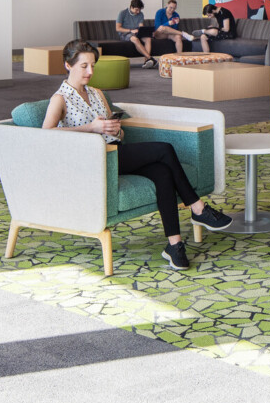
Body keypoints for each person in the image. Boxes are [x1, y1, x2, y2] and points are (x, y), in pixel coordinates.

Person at [41, 40, 233, 270]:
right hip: (95, 160)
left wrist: (116, 130)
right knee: (164, 149)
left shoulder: (97, 93)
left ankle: (175, 245)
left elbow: (114, 129)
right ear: (68, 65)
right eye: (84, 66)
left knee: (163, 173)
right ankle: (198, 207)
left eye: (92, 66)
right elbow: (47, 135)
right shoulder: (60, 99)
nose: (90, 72)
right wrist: (91, 128)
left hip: (116, 152)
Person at [115, 0, 157, 68]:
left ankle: (146, 62)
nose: (138, 12)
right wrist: (131, 30)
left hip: (137, 32)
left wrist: (144, 31)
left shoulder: (141, 14)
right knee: (135, 39)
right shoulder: (122, 13)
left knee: (148, 38)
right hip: (125, 33)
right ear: (131, 7)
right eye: (137, 10)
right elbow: (118, 28)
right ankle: (150, 58)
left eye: (139, 10)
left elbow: (140, 26)